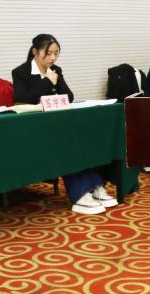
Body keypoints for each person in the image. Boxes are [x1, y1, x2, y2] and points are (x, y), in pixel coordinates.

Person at [12, 34, 117, 215]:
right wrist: (46, 82)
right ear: (35, 52)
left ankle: (95, 186)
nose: (53, 58)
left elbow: (69, 96)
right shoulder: (20, 72)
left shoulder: (56, 70)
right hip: (34, 128)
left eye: (56, 53)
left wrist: (56, 79)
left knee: (81, 138)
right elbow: (22, 99)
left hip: (57, 125)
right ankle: (80, 194)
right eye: (48, 53)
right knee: (66, 143)